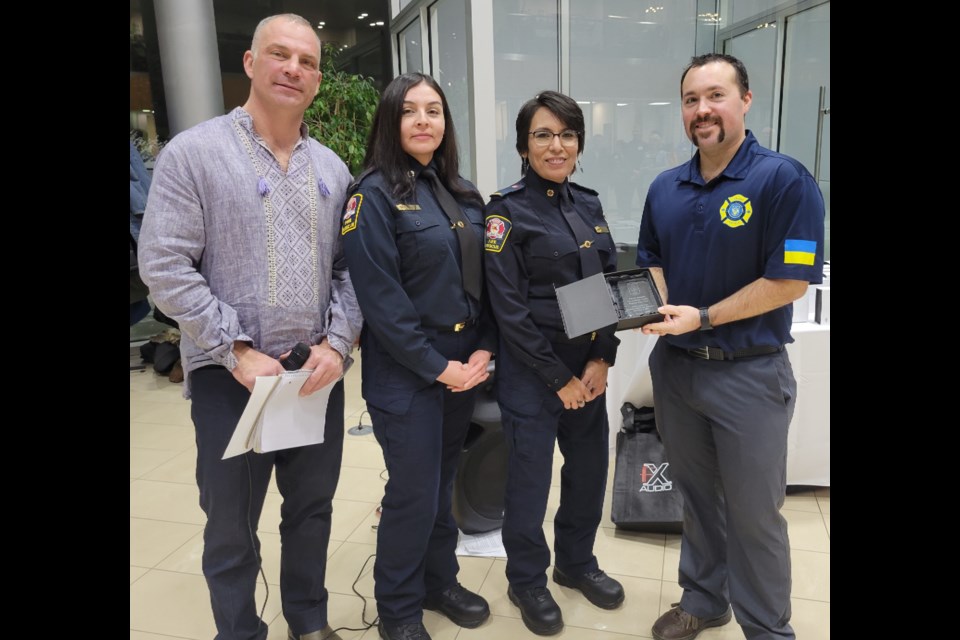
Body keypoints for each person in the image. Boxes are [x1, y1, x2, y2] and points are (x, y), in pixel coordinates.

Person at [137, 14, 362, 640]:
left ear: (318, 78)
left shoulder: (334, 169)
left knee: (312, 510)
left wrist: (337, 346)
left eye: (308, 61)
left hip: (313, 374)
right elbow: (162, 264)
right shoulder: (195, 153)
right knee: (231, 522)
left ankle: (308, 623)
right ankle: (238, 631)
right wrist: (234, 348)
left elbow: (350, 273)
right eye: (280, 55)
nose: (294, 69)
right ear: (250, 64)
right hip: (228, 377)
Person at [635, 53, 825, 640]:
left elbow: (792, 279)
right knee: (695, 499)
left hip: (749, 375)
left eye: (715, 96)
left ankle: (767, 628)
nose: (702, 110)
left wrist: (705, 317)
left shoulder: (785, 180)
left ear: (745, 100)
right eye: (692, 100)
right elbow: (653, 266)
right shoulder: (666, 186)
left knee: (754, 515)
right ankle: (704, 597)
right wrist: (656, 310)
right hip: (677, 372)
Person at [340, 72, 496, 640]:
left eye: (434, 110)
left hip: (463, 361)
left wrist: (483, 349)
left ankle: (439, 581)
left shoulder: (461, 190)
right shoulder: (372, 196)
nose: (425, 120)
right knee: (412, 492)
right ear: (391, 120)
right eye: (411, 111)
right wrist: (439, 366)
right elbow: (382, 301)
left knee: (443, 480)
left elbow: (486, 283)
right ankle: (399, 609)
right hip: (408, 372)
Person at [483, 90, 624, 636]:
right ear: (523, 145)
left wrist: (601, 359)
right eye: (543, 135)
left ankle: (576, 562)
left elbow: (608, 289)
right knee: (529, 480)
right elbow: (509, 312)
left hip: (588, 369)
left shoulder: (588, 203)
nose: (556, 145)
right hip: (533, 373)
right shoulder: (506, 211)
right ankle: (527, 579)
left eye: (567, 135)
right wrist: (558, 377)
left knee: (589, 472)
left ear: (579, 143)